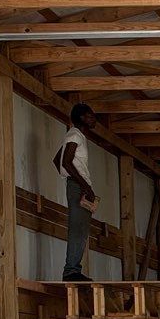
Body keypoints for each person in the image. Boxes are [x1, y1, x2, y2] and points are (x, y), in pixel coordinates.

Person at [56, 103, 99, 283]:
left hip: (76, 184)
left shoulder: (75, 136)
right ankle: (71, 271)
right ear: (82, 117)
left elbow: (57, 159)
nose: (93, 118)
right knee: (78, 230)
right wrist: (84, 186)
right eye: (90, 115)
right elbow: (65, 162)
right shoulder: (75, 134)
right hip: (78, 186)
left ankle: (73, 269)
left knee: (81, 228)